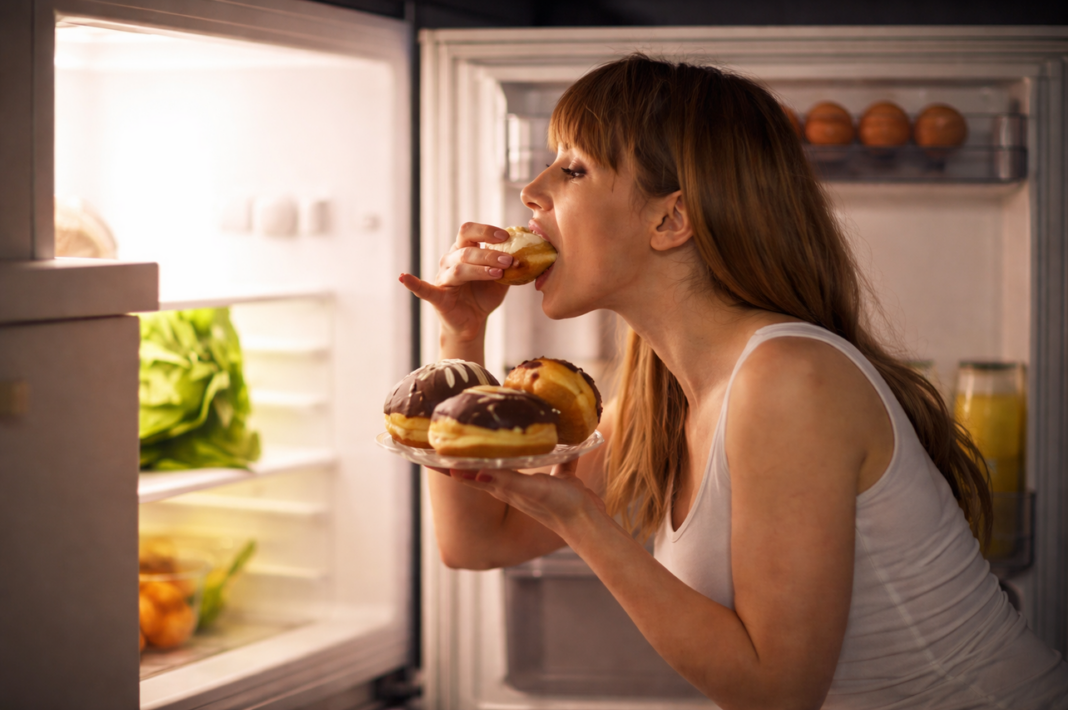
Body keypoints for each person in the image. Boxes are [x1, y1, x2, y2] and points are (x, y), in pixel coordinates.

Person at [399, 54, 1068, 709]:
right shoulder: (661, 391)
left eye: (572, 168)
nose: (532, 191)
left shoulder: (787, 380)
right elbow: (477, 544)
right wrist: (461, 336)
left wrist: (583, 522)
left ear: (670, 220)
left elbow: (777, 692)